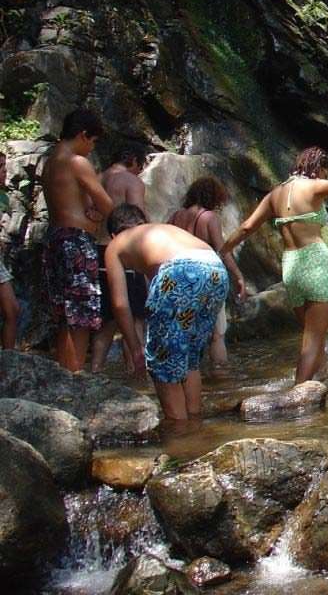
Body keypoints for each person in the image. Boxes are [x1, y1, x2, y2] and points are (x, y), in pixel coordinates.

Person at [222, 147, 328, 382]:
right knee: (314, 338)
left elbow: (246, 227)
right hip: (315, 262)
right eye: (325, 172)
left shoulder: (275, 194)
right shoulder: (314, 185)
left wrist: (222, 249)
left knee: (313, 335)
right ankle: (299, 390)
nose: (326, 177)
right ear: (319, 168)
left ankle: (318, 379)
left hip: (291, 266)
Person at [104, 204, 228, 424]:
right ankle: (195, 423)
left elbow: (120, 304)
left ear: (113, 234)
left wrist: (135, 348)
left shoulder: (114, 246)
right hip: (215, 269)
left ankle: (180, 435)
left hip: (180, 271)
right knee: (190, 359)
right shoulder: (159, 230)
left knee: (162, 364)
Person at [40, 109, 114, 371]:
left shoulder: (50, 162)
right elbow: (108, 206)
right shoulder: (76, 162)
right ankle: (75, 377)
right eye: (92, 142)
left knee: (64, 316)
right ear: (83, 135)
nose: (92, 148)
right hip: (76, 242)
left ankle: (62, 374)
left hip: (54, 239)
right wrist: (95, 217)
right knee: (81, 315)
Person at [168, 177, 246, 370]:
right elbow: (222, 250)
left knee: (184, 329)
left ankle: (183, 373)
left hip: (178, 276)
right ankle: (220, 377)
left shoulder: (176, 216)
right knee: (216, 334)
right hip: (206, 276)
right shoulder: (209, 217)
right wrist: (238, 276)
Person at [92, 146, 149, 373]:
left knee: (106, 321)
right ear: (132, 160)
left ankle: (94, 372)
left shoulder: (97, 177)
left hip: (98, 250)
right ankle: (136, 374)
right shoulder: (131, 182)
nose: (139, 172)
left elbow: (90, 212)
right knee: (134, 317)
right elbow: (138, 220)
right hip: (124, 252)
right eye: (139, 167)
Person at [0, 152, 21, 350]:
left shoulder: (3, 197)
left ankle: (8, 361)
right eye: (0, 167)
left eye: (5, 167)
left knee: (12, 310)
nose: (5, 172)